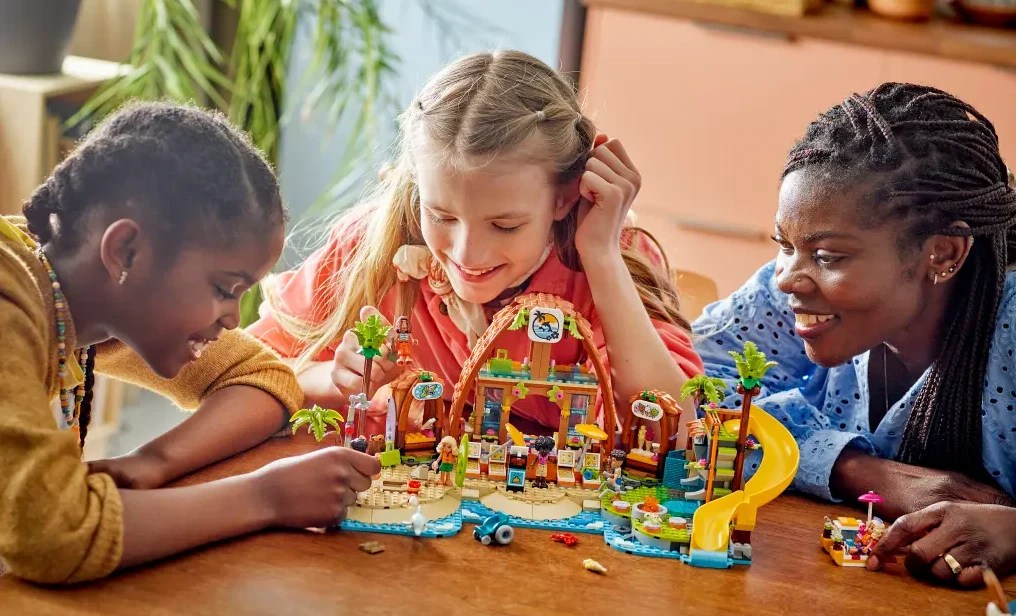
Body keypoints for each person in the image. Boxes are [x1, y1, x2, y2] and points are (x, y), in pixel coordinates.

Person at [0, 102, 379, 585]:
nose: (233, 319)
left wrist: (152, 462)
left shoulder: (73, 299)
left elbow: (265, 378)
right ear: (125, 252)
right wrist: (265, 497)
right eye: (224, 289)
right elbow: (55, 533)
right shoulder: (10, 303)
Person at [249, 50, 702, 438]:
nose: (467, 255)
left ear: (565, 197)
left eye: (505, 226)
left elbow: (676, 433)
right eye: (441, 216)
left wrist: (601, 257)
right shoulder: (371, 244)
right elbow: (247, 368)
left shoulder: (610, 256)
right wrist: (334, 379)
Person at [693, 83, 1016, 586]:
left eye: (828, 256)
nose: (786, 279)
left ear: (943, 253)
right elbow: (692, 389)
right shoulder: (798, 290)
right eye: (784, 244)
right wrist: (856, 468)